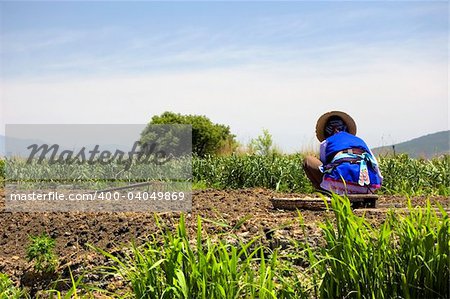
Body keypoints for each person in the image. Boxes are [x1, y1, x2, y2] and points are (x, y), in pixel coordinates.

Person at [303, 111, 382, 195]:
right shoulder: (361, 141)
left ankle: (325, 193)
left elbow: (324, 166)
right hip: (369, 187)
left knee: (308, 160)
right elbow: (375, 166)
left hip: (339, 184)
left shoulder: (326, 142)